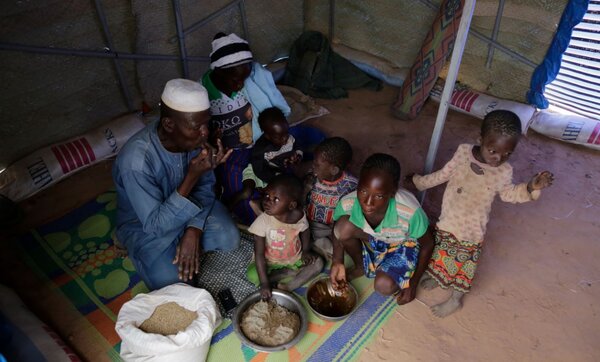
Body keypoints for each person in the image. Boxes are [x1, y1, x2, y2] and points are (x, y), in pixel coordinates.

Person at [405, 110, 554, 317]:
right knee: (442, 254)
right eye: (492, 150)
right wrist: (418, 182)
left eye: (507, 154)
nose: (498, 158)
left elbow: (509, 194)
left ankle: (455, 300)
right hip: (448, 222)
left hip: (471, 232)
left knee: (464, 268)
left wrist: (530, 187)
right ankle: (438, 277)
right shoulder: (463, 152)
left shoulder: (504, 171)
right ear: (480, 139)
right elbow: (444, 174)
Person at [113, 79, 239, 290]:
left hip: (189, 211)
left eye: (206, 124)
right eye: (196, 127)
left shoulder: (194, 141)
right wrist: (191, 176)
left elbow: (207, 188)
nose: (205, 133)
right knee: (177, 285)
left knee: (229, 237)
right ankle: (131, 246)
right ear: (169, 124)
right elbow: (156, 225)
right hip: (146, 227)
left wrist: (194, 229)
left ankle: (184, 243)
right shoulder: (136, 161)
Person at [201, 32, 291, 225]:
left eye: (244, 78)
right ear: (218, 71)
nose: (241, 84)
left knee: (283, 169)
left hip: (257, 143)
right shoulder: (204, 92)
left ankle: (268, 205)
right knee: (234, 183)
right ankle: (256, 217)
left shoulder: (248, 81)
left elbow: (270, 109)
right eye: (235, 80)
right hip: (229, 154)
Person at [330, 153, 434, 305]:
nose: (368, 203)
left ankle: (387, 268)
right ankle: (361, 266)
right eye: (363, 191)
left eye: (379, 196)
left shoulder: (409, 212)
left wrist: (413, 282)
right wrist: (337, 261)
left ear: (392, 193)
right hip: (375, 238)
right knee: (343, 226)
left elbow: (428, 244)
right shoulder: (348, 203)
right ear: (358, 186)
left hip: (402, 243)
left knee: (383, 286)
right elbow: (336, 230)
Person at [246, 174, 324, 299]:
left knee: (318, 263)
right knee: (253, 275)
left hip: (293, 259)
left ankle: (288, 286)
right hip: (270, 262)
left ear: (291, 205)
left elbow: (305, 230)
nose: (267, 202)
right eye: (266, 196)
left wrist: (305, 251)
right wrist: (265, 283)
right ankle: (283, 273)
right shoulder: (263, 221)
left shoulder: (298, 215)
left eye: (275, 199)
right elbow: (259, 253)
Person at [229, 107, 302, 213]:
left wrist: (297, 156)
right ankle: (229, 207)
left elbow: (297, 147)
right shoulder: (261, 148)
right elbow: (258, 169)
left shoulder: (289, 139)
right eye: (279, 137)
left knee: (279, 196)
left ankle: (259, 202)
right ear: (267, 136)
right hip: (257, 171)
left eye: (286, 133)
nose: (285, 139)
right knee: (247, 192)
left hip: (275, 174)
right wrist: (270, 184)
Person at [305, 137, 358, 260]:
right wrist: (305, 188)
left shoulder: (350, 186)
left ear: (334, 170)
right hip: (308, 224)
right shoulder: (311, 178)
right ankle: (314, 247)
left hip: (330, 228)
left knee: (339, 244)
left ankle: (315, 247)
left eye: (317, 165)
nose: (313, 167)